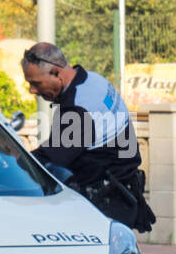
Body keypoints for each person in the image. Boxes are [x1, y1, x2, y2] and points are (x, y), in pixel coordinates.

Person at [20, 42, 155, 232]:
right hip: (122, 192)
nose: (32, 90)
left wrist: (14, 160)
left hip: (103, 205)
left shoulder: (78, 107)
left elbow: (50, 160)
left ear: (57, 73)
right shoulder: (94, 81)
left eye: (36, 83)